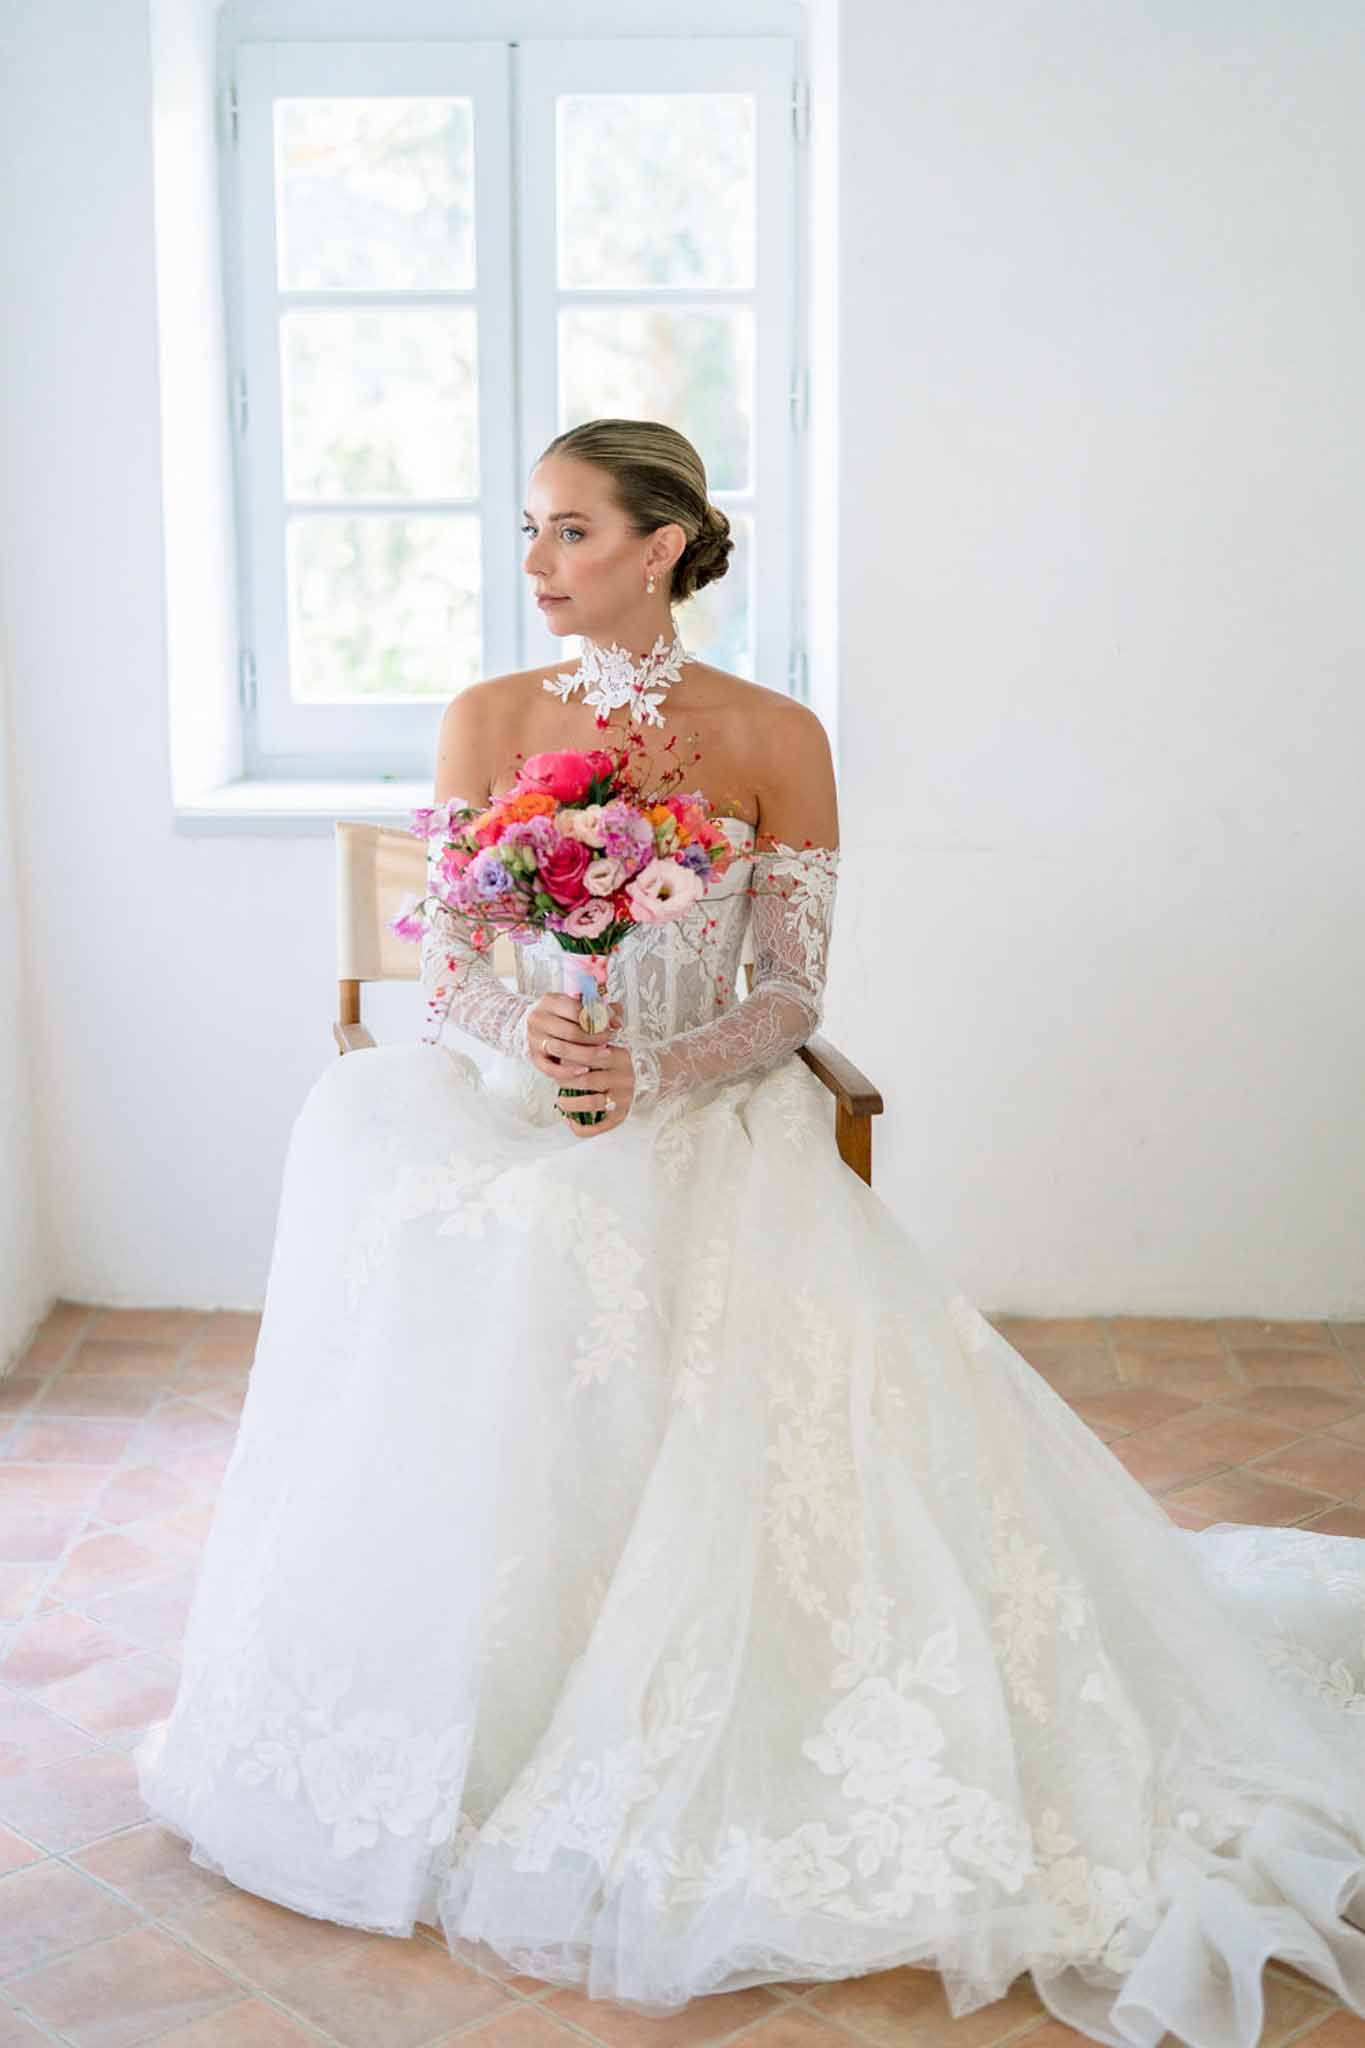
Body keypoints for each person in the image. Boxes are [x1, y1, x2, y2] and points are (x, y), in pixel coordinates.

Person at [136, 419, 1365, 2047]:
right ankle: (481, 1707)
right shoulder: (484, 718)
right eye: (528, 529)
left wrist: (648, 1065)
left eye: (568, 531)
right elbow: (444, 960)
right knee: (412, 1170)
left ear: (663, 544)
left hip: (702, 1101)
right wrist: (541, 1044)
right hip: (508, 1092)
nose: (534, 565)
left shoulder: (776, 735)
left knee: (652, 1233)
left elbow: (789, 991)